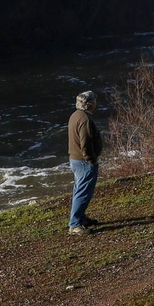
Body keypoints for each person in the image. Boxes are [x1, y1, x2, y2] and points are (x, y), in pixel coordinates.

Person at [67, 90, 103, 235]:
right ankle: (75, 224)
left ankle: (81, 218)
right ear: (89, 104)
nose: (96, 103)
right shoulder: (85, 120)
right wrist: (92, 159)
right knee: (83, 193)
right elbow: (86, 143)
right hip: (84, 162)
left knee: (79, 190)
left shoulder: (75, 116)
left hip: (75, 159)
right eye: (94, 101)